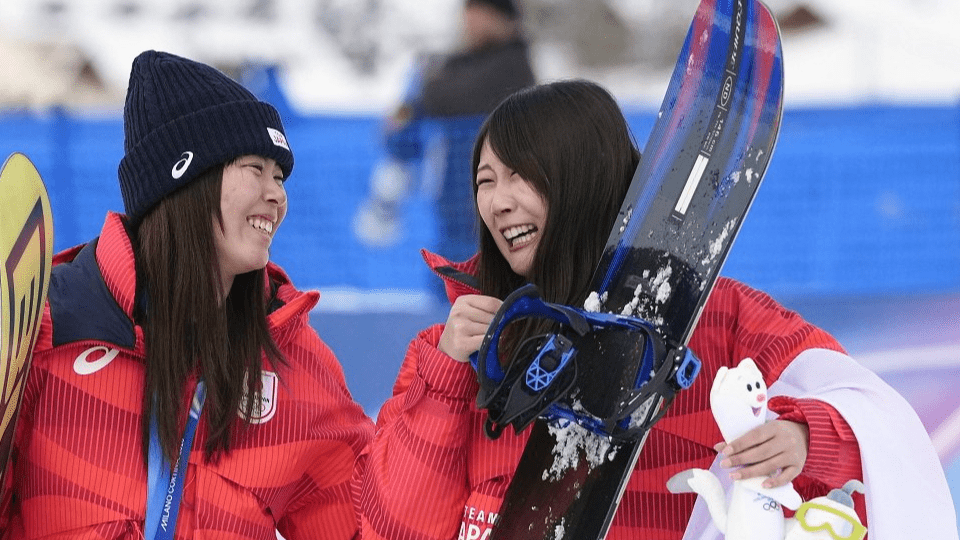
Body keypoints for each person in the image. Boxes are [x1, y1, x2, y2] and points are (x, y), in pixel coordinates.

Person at [355, 80, 957, 539]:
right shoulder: (454, 351)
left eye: (520, 176)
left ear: (582, 179)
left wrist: (806, 436)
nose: (496, 202)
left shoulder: (719, 320)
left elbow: (868, 412)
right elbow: (391, 526)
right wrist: (444, 380)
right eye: (485, 181)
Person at [0, 50, 373, 539]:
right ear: (185, 180)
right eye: (255, 168)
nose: (277, 194)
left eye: (279, 176)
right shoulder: (49, 330)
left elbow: (375, 522)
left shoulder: (287, 360)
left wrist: (441, 394)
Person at [353, 0, 535, 273]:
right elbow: (422, 100)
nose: (471, 20)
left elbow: (446, 97)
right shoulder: (460, 62)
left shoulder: (513, 65)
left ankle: (387, 197)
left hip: (491, 204)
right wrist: (406, 112)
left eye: (481, 12)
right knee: (451, 276)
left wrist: (422, 91)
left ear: (503, 19)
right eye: (469, 11)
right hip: (455, 200)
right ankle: (388, 192)